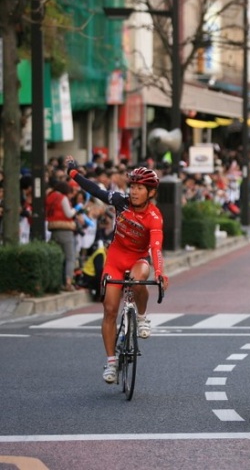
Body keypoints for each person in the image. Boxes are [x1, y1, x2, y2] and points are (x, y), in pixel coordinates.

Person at [65, 156, 169, 384]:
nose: (134, 191)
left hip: (138, 259)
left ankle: (141, 317)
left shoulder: (154, 217)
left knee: (139, 278)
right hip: (115, 258)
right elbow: (94, 189)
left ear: (150, 192)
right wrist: (73, 173)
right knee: (110, 309)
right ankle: (111, 362)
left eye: (140, 188)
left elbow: (156, 247)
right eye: (132, 186)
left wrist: (160, 273)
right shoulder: (120, 201)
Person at [45, 179, 80, 291]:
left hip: (53, 230)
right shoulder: (62, 198)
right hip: (65, 230)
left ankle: (57, 282)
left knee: (59, 257)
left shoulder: (50, 197)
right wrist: (76, 209)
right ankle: (68, 283)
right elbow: (68, 213)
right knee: (70, 258)